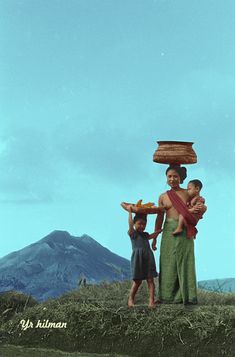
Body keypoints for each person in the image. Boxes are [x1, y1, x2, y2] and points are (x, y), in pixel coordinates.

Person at [152, 165, 205, 305]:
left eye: (175, 176)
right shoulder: (163, 197)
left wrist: (202, 208)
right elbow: (159, 217)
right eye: (169, 176)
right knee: (167, 261)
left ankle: (187, 297)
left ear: (181, 178)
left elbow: (200, 202)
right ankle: (165, 297)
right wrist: (155, 236)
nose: (172, 179)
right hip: (168, 229)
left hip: (184, 230)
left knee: (185, 261)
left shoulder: (187, 193)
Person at [127, 205, 162, 308]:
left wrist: (159, 232)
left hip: (148, 258)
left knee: (150, 280)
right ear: (134, 224)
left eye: (144, 224)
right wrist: (130, 212)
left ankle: (151, 301)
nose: (142, 226)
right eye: (139, 224)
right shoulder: (133, 233)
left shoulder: (145, 234)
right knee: (137, 281)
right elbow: (129, 224)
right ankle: (130, 299)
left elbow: (152, 236)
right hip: (138, 259)